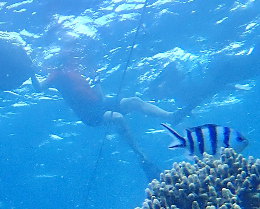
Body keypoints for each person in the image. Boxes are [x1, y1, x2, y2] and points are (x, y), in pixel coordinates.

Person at [149, 1, 260, 118]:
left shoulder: (174, 81)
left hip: (218, 68)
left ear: (159, 83)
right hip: (222, 74)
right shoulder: (180, 95)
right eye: (159, 97)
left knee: (258, 60)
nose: (162, 96)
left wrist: (183, 110)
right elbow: (206, 91)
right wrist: (230, 86)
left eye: (158, 92)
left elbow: (193, 85)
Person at [28, 47, 170, 178]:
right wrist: (31, 72)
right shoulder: (56, 74)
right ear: (63, 60)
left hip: (99, 103)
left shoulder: (77, 73)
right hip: (88, 113)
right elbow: (39, 88)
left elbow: (100, 96)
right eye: (71, 57)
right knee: (117, 118)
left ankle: (170, 116)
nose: (74, 59)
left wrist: (96, 80)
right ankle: (141, 156)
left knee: (134, 101)